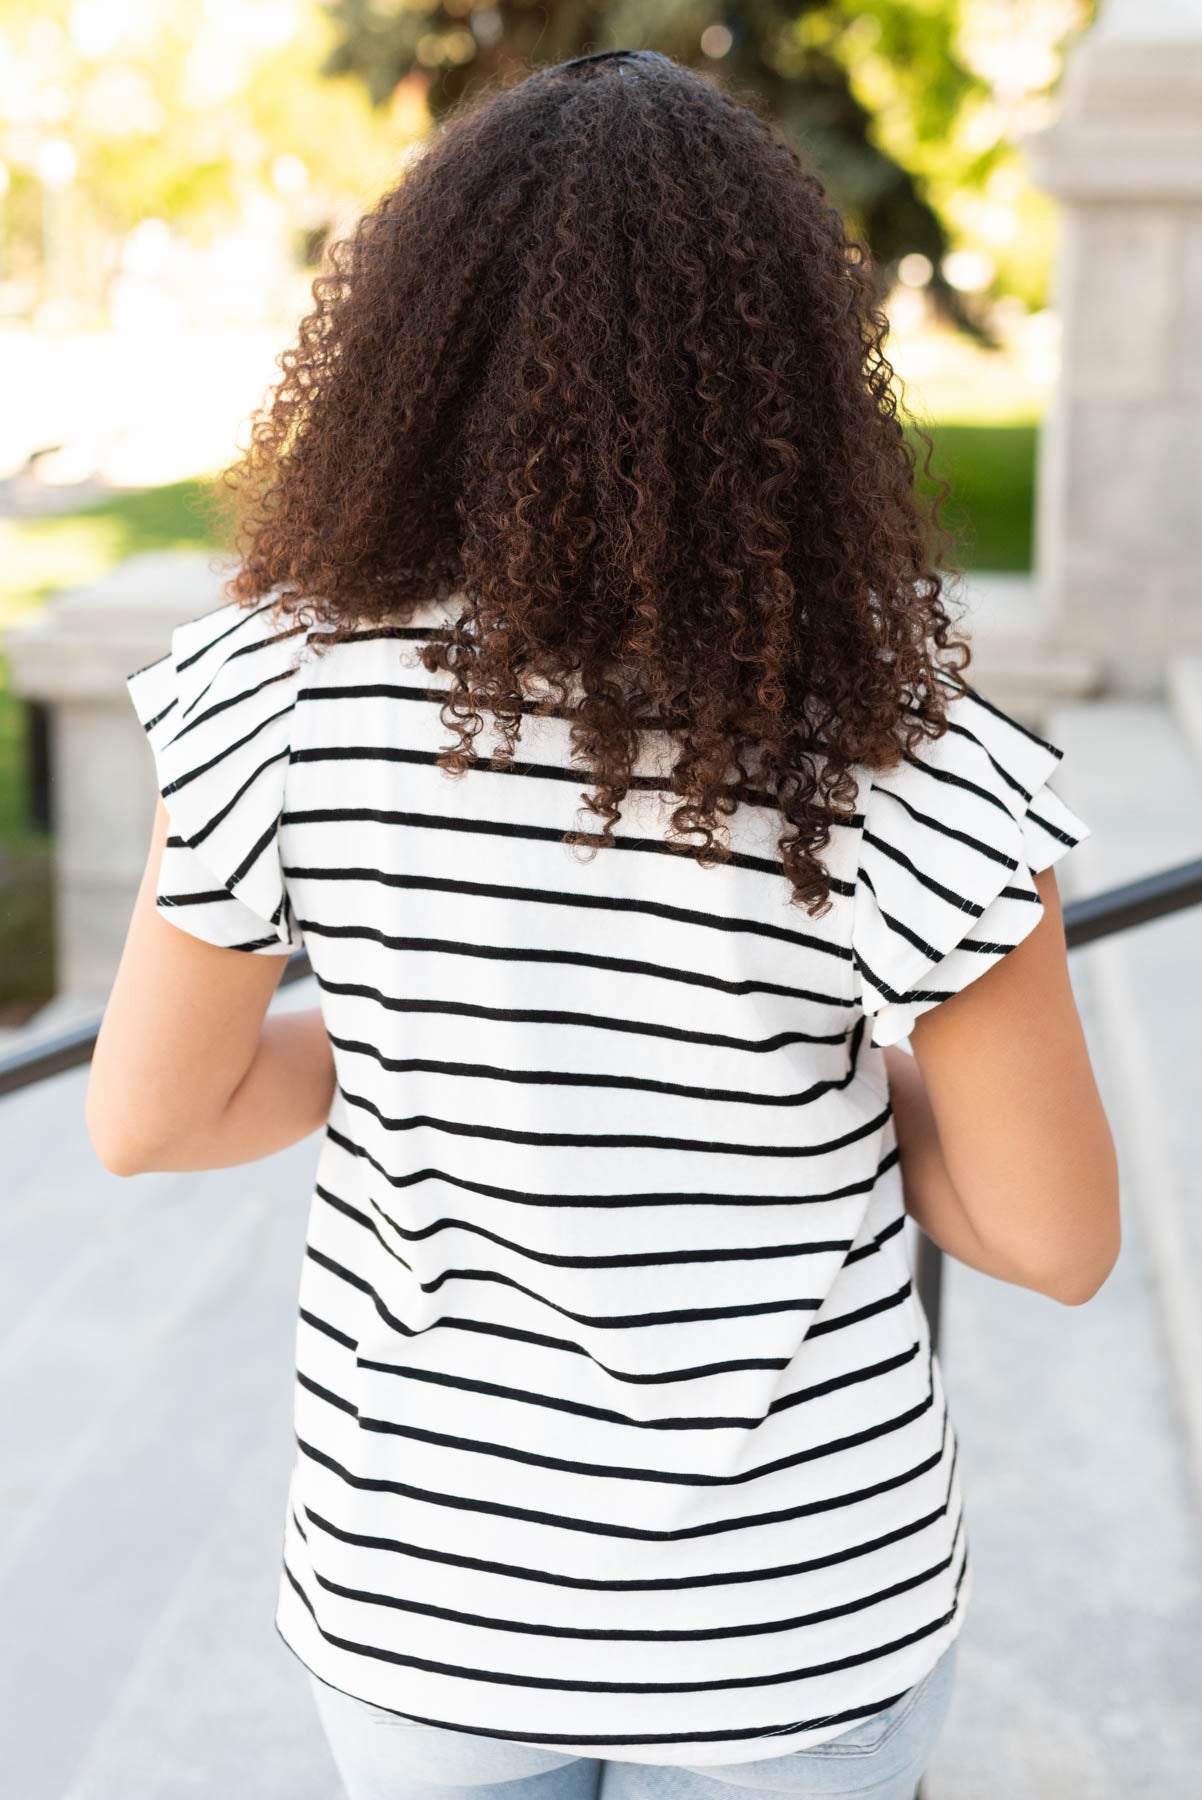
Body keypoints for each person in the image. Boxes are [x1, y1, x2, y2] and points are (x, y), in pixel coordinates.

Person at [87, 46, 1121, 1800]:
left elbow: (155, 1114)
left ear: (410, 354)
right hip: (795, 1611)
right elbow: (1051, 1235)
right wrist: (787, 1086)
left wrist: (423, 1043)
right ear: (795, 374)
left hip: (430, 1590)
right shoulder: (902, 743)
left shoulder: (274, 693)